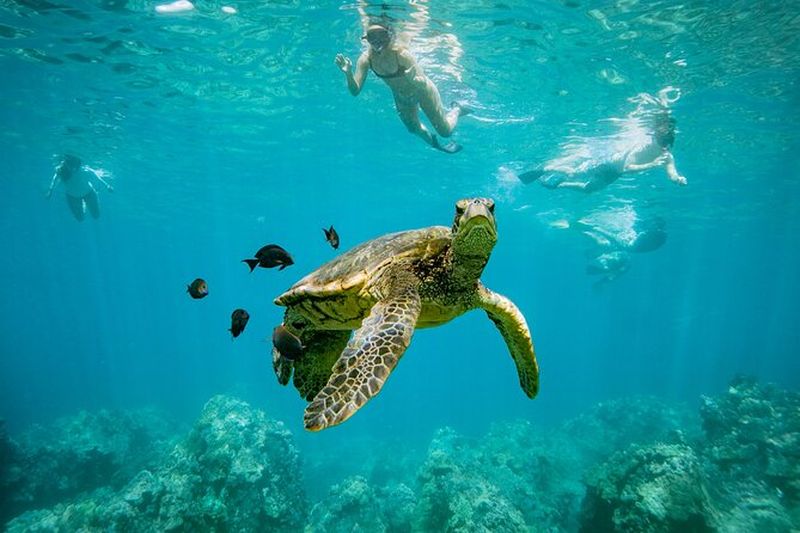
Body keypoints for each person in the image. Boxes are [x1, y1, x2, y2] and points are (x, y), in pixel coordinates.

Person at [334, 22, 467, 153]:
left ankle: (457, 109)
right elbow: (355, 91)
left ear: (389, 36)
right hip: (401, 97)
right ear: (367, 39)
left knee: (445, 132)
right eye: (372, 36)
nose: (377, 41)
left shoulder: (401, 54)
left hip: (423, 92)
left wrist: (414, 80)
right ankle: (436, 145)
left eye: (381, 35)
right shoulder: (365, 59)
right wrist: (348, 74)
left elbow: (423, 83)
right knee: (412, 128)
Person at [520, 87, 687, 191]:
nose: (665, 148)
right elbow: (627, 168)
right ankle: (545, 169)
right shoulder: (643, 146)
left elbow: (672, 172)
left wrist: (677, 179)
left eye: (668, 145)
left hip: (614, 173)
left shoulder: (666, 155)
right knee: (573, 173)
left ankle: (558, 185)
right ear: (654, 137)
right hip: (607, 163)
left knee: (589, 189)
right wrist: (652, 164)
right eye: (662, 143)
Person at [46, 154, 113, 221]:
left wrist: (107, 185)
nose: (71, 167)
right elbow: (54, 179)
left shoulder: (83, 169)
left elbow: (95, 175)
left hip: (89, 193)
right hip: (72, 197)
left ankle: (84, 203)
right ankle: (83, 204)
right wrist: (50, 191)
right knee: (80, 219)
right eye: (68, 164)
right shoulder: (60, 171)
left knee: (96, 215)